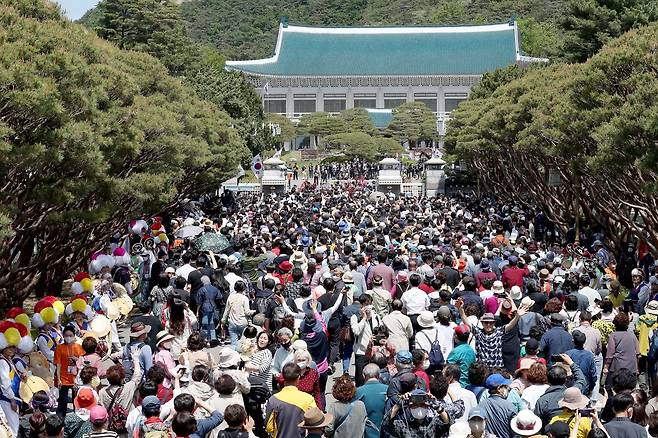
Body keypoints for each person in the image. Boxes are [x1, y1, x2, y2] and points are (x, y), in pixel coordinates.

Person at [457, 298, 528, 368]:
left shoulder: (499, 332)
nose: (488, 325)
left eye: (491, 323)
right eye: (486, 322)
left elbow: (510, 325)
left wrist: (517, 316)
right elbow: (465, 321)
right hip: (483, 369)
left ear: (494, 323)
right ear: (482, 323)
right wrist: (460, 309)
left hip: (496, 369)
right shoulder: (478, 333)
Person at [534, 354, 589, 427]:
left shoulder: (542, 401)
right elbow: (581, 380)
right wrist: (571, 363)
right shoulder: (573, 394)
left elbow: (537, 424)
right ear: (566, 379)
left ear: (547, 380)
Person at [265, 363, 316, 438]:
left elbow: (269, 427)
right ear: (298, 378)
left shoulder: (273, 399)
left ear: (283, 377)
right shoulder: (308, 399)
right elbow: (315, 421)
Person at [380, 388, 450, 438]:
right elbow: (386, 424)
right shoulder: (403, 426)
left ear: (427, 406)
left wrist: (437, 406)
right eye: (415, 405)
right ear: (409, 407)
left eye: (422, 405)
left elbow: (447, 422)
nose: (419, 408)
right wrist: (399, 404)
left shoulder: (433, 423)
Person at [351, 295, 382, 387]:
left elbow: (381, 330)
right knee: (360, 378)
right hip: (361, 351)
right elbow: (356, 331)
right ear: (361, 305)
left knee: (375, 376)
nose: (367, 306)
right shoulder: (355, 317)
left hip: (374, 350)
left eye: (369, 303)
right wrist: (364, 318)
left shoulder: (376, 316)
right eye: (365, 304)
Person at [54, 325, 84, 418]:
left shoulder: (79, 347)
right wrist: (58, 379)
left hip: (76, 379)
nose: (68, 337)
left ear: (74, 336)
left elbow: (82, 363)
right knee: (62, 401)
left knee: (77, 401)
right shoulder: (59, 348)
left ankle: (78, 419)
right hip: (63, 378)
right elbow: (58, 364)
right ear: (63, 336)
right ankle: (60, 420)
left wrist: (76, 359)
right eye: (66, 335)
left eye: (70, 335)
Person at [475, 373, 518, 438]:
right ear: (498, 389)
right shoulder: (510, 406)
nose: (507, 389)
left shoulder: (481, 406)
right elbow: (515, 432)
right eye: (505, 386)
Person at [603, 312, 639, 385]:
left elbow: (610, 354)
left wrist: (606, 367)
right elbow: (638, 354)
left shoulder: (613, 336)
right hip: (631, 368)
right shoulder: (632, 335)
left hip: (617, 368)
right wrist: (637, 367)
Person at [355, 364, 388, 438]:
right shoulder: (388, 389)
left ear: (363, 376)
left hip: (366, 433)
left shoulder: (358, 392)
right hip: (385, 432)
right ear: (379, 375)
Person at [222, 281, 255, 349]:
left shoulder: (230, 296)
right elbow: (247, 312)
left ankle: (233, 356)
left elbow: (226, 310)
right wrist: (254, 311)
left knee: (234, 343)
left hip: (232, 322)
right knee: (244, 342)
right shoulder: (244, 298)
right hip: (242, 322)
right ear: (243, 288)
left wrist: (223, 321)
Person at [565, 330, 597, 395]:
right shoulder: (589, 355)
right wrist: (591, 388)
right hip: (584, 387)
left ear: (573, 341)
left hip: (570, 387)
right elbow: (593, 374)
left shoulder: (568, 354)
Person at [447, 324, 476, 388]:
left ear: (456, 336)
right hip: (470, 385)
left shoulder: (455, 352)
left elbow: (448, 369)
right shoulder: (472, 350)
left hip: (458, 386)